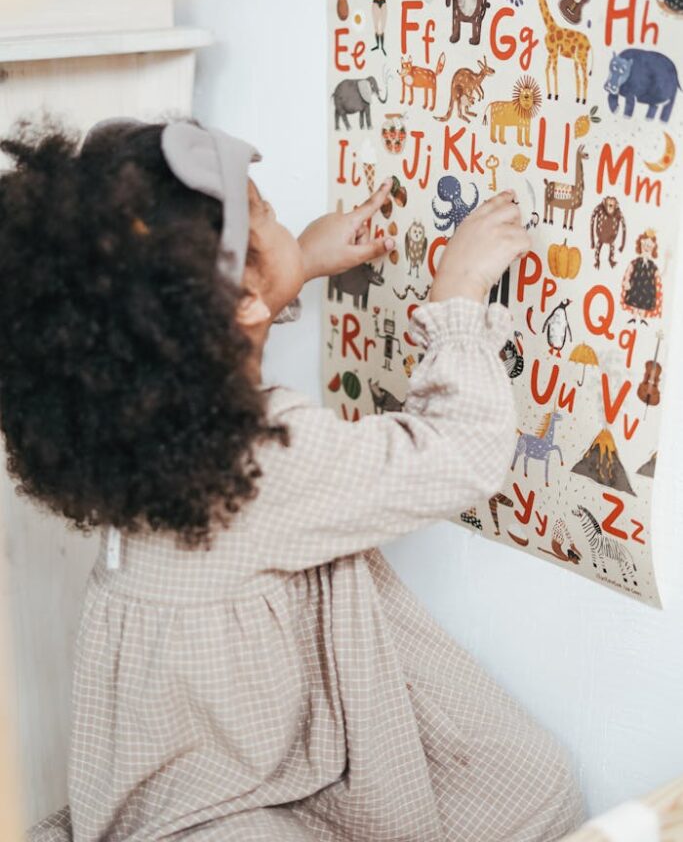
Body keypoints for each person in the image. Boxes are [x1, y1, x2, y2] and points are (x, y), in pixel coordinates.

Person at [0, 118, 584, 841]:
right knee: (531, 792)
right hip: (222, 799)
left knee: (519, 776)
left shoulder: (135, 420)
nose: (278, 214)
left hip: (178, 748)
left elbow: (201, 318)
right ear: (240, 298)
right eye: (266, 213)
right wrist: (457, 295)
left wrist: (295, 262)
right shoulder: (259, 461)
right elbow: (460, 453)